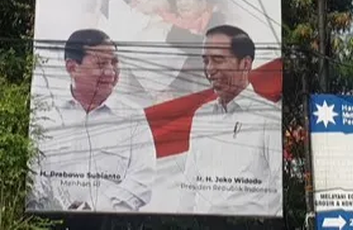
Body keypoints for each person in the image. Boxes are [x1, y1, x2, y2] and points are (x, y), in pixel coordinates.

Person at [27, 29, 156, 212]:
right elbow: (32, 175)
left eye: (114, 63)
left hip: (110, 223)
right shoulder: (46, 113)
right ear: (72, 67)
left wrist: (96, 207)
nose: (111, 72)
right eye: (102, 64)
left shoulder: (132, 117)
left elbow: (142, 179)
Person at [180, 25, 282, 216]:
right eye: (206, 61)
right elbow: (189, 184)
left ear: (245, 64)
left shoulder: (269, 117)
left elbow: (280, 187)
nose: (209, 69)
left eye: (218, 60)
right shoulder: (201, 116)